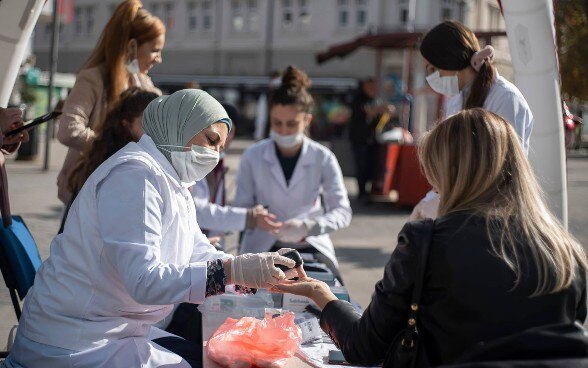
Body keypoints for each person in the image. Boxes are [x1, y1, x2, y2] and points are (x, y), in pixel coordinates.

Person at [3, 89, 299, 368]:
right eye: (211, 140)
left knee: (210, 356)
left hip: (110, 330)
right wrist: (233, 272)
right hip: (73, 343)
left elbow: (197, 250)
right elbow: (144, 280)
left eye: (220, 147)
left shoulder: (171, 180)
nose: (215, 155)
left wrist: (259, 272)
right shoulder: (135, 176)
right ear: (181, 125)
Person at [272, 108, 587, 367]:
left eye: (433, 173)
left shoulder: (428, 241)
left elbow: (364, 346)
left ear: (449, 174)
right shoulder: (565, 252)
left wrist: (320, 295)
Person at [233, 65, 352, 280]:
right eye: (277, 123)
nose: (284, 131)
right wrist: (255, 218)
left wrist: (308, 227)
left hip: (310, 246)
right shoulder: (253, 156)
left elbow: (342, 212)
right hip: (263, 245)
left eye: (292, 124)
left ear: (307, 120)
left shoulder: (322, 157)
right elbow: (241, 206)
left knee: (327, 295)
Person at [411, 20, 534, 220]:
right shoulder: (456, 100)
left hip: (495, 213)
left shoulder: (505, 98)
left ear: (450, 60)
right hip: (460, 208)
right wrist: (432, 199)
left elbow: (505, 171)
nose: (431, 77)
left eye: (433, 69)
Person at [56, 0, 164, 204]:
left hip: (128, 190)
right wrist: (114, 148)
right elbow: (68, 130)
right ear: (132, 46)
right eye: (155, 50)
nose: (159, 59)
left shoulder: (147, 87)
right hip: (88, 189)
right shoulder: (93, 78)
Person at [57, 87, 159, 233]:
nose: (155, 129)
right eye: (148, 121)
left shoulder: (116, 154)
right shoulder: (123, 165)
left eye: (160, 121)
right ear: (126, 123)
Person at [192, 103, 281, 250]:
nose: (222, 137)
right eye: (215, 130)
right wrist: (249, 217)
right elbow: (199, 212)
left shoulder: (219, 162)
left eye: (229, 131)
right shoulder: (196, 160)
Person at [349, 78, 394, 201]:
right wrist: (378, 110)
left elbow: (381, 118)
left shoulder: (376, 99)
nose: (372, 89)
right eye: (370, 87)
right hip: (359, 139)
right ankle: (362, 193)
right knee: (361, 166)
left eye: (374, 87)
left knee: (372, 166)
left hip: (373, 139)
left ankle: (370, 191)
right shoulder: (357, 99)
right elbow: (366, 112)